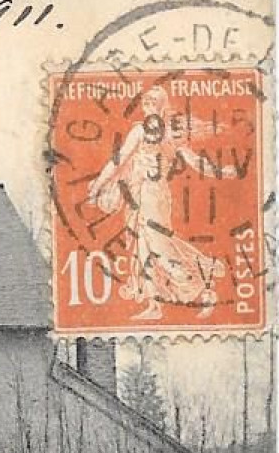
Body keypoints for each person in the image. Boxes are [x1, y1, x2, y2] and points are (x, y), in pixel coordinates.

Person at [84, 85, 241, 321]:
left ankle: (203, 288)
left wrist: (222, 172)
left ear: (161, 107)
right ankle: (154, 304)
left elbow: (195, 162)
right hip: (138, 195)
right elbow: (118, 161)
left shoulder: (168, 135)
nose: (148, 106)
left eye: (152, 103)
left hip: (154, 195)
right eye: (146, 102)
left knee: (159, 247)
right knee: (143, 247)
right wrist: (97, 185)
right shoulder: (140, 131)